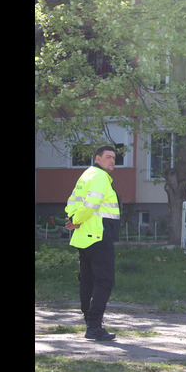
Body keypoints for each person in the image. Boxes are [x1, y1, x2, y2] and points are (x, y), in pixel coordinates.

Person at [64, 145, 121, 341]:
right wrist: (77, 220)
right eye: (108, 157)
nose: (112, 161)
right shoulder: (100, 177)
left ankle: (90, 322)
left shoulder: (86, 175)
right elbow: (91, 204)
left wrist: (73, 219)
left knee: (87, 280)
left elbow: (71, 201)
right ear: (97, 158)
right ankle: (95, 326)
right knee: (104, 281)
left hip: (83, 238)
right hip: (98, 237)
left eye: (114, 158)